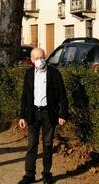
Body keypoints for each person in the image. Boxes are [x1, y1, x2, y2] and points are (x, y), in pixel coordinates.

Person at [18, 48, 69, 184]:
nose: (40, 60)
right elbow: (25, 97)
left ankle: (46, 173)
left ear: (45, 57)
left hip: (49, 113)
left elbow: (62, 96)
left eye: (42, 57)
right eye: (37, 58)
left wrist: (63, 114)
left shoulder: (54, 74)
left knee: (47, 144)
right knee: (32, 144)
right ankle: (29, 174)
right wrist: (22, 116)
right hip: (33, 114)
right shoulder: (29, 74)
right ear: (32, 60)